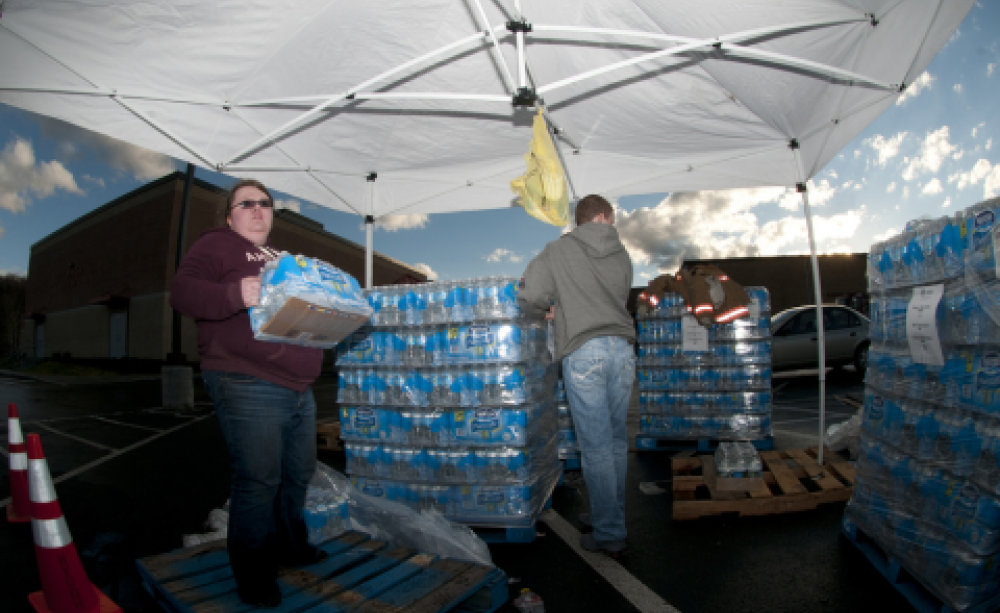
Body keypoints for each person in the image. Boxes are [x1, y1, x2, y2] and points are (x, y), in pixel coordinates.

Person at [171, 179, 325, 607]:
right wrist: (235, 292)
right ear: (229, 215)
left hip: (299, 386)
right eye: (246, 203)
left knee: (297, 475)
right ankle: (255, 576)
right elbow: (182, 292)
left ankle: (292, 547)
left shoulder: (285, 258)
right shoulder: (216, 245)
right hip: (247, 379)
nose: (258, 209)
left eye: (265, 203)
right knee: (258, 482)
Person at [517, 194, 636, 556]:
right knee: (615, 442)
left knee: (596, 447)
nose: (613, 224)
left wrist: (547, 309)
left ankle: (609, 531)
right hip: (623, 350)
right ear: (601, 216)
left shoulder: (557, 250)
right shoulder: (623, 253)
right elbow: (613, 296)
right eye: (611, 218)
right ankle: (607, 514)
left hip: (585, 351)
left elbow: (532, 295)